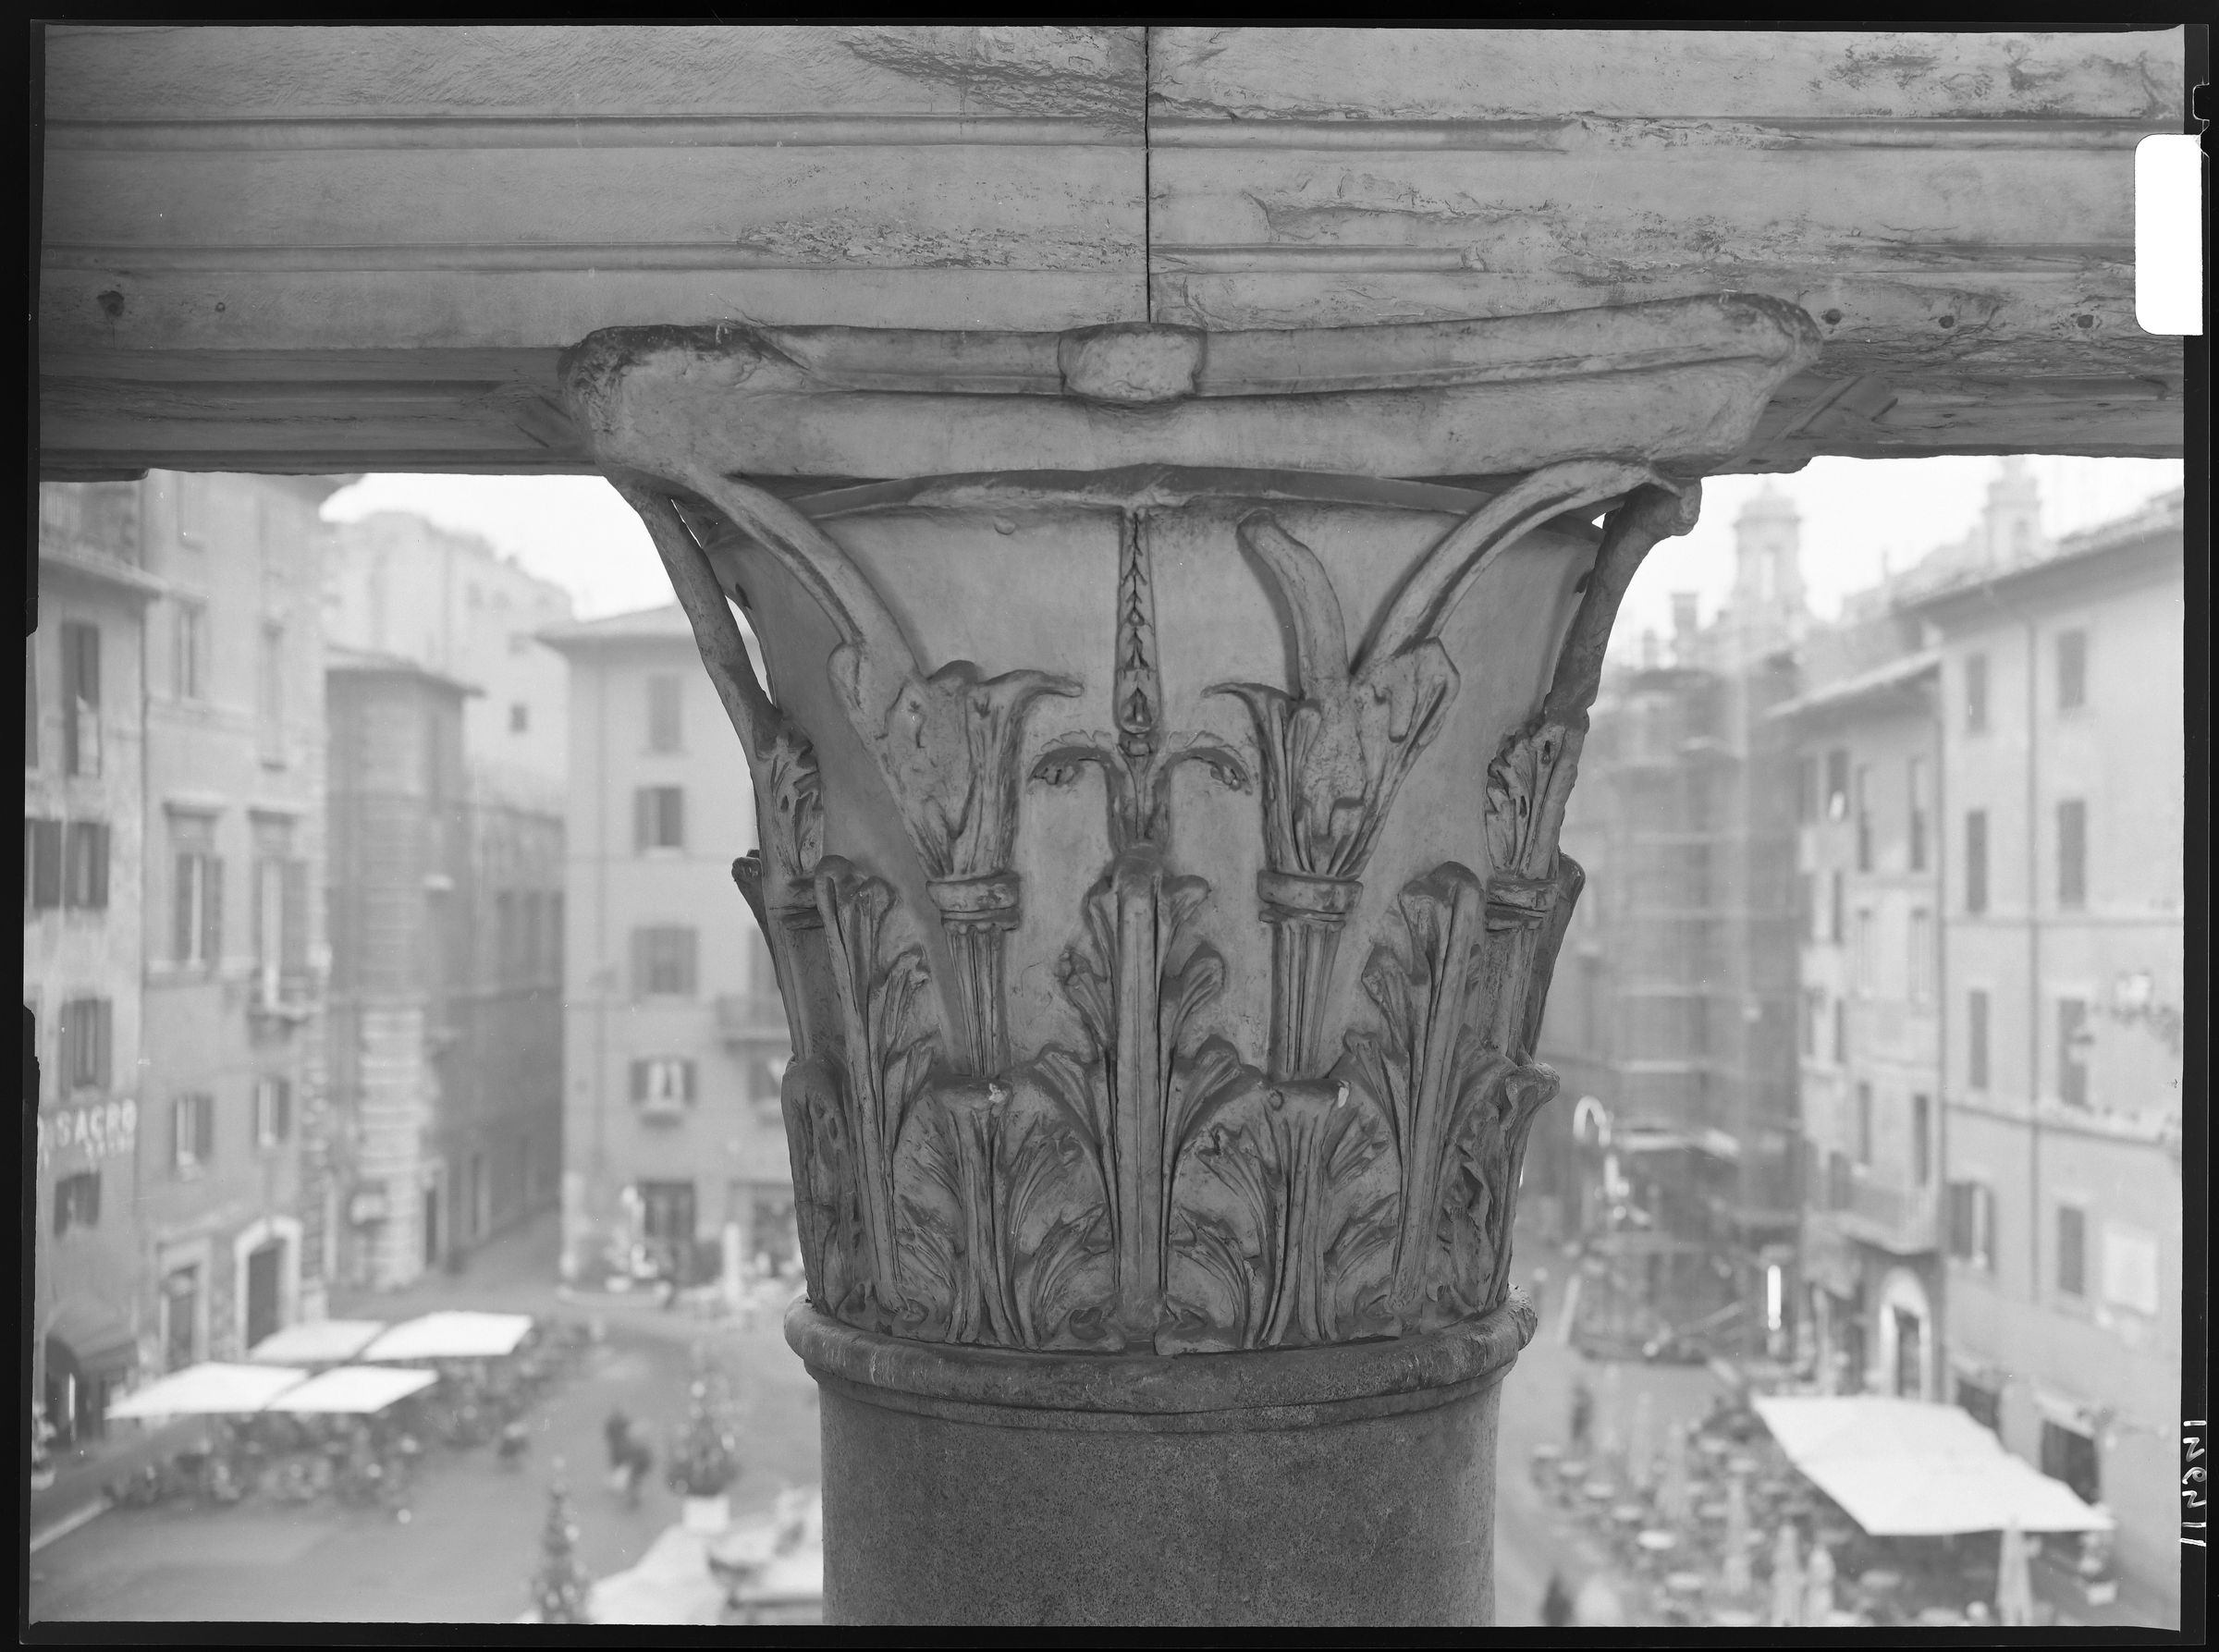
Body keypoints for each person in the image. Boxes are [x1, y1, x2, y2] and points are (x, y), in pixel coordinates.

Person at [1569, 1378, 1594, 1454]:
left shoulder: (1585, 1399)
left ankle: (1583, 1453)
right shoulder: (1580, 1399)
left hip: (1582, 1421)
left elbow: (1586, 1410)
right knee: (1577, 1438)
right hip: (1578, 1421)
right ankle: (1576, 1453)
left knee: (1583, 1437)